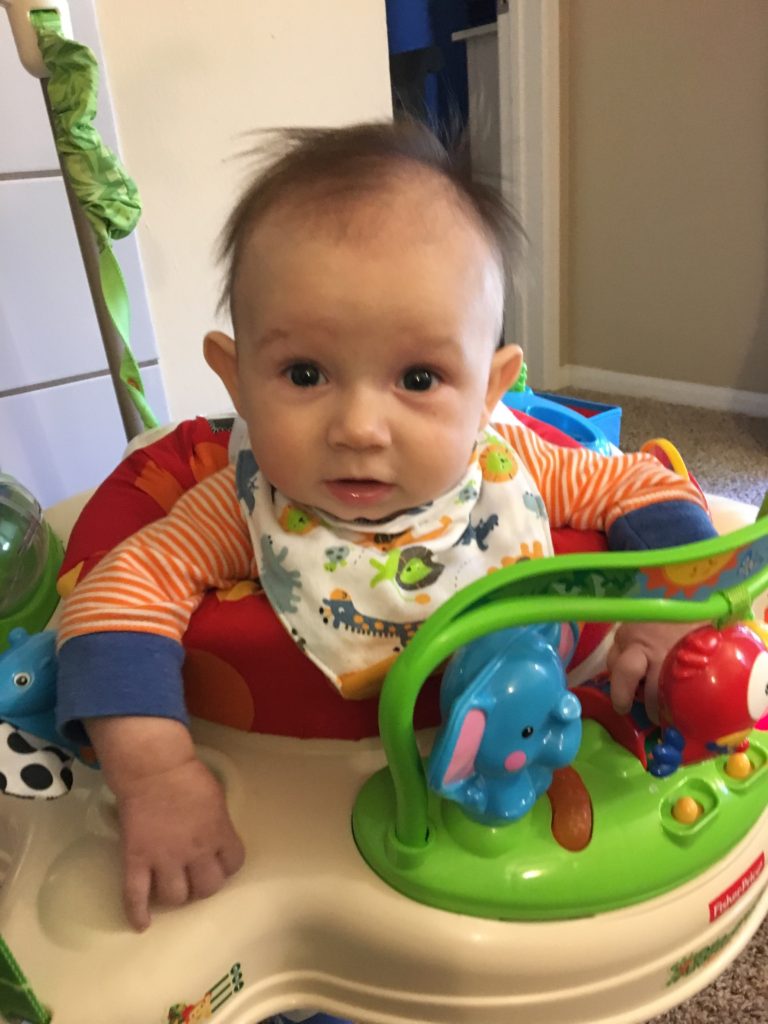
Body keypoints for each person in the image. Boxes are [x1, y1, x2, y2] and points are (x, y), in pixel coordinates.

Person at [55, 121, 716, 932]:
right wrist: (156, 778)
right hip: (304, 775)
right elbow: (111, 598)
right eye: (305, 373)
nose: (360, 428)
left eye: (420, 377)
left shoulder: (512, 468)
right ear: (236, 379)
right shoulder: (245, 508)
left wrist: (670, 611)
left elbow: (648, 488)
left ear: (490, 392)